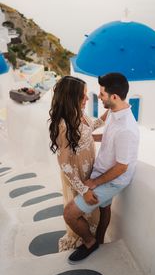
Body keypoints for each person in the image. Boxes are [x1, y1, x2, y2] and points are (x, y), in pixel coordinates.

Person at [64, 72, 140, 263]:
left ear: (114, 97)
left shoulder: (127, 129)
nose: (99, 97)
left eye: (102, 94)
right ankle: (99, 241)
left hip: (112, 180)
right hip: (102, 171)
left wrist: (93, 182)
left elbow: (122, 167)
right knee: (105, 210)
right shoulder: (115, 112)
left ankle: (90, 243)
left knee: (70, 213)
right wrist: (87, 138)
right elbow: (106, 137)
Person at [49, 75, 107, 252]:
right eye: (84, 95)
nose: (87, 99)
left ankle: (91, 237)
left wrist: (111, 110)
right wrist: (83, 189)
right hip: (78, 178)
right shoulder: (63, 125)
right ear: (72, 97)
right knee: (80, 210)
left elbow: (91, 127)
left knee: (91, 212)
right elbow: (64, 164)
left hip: (89, 172)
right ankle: (88, 241)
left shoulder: (79, 114)